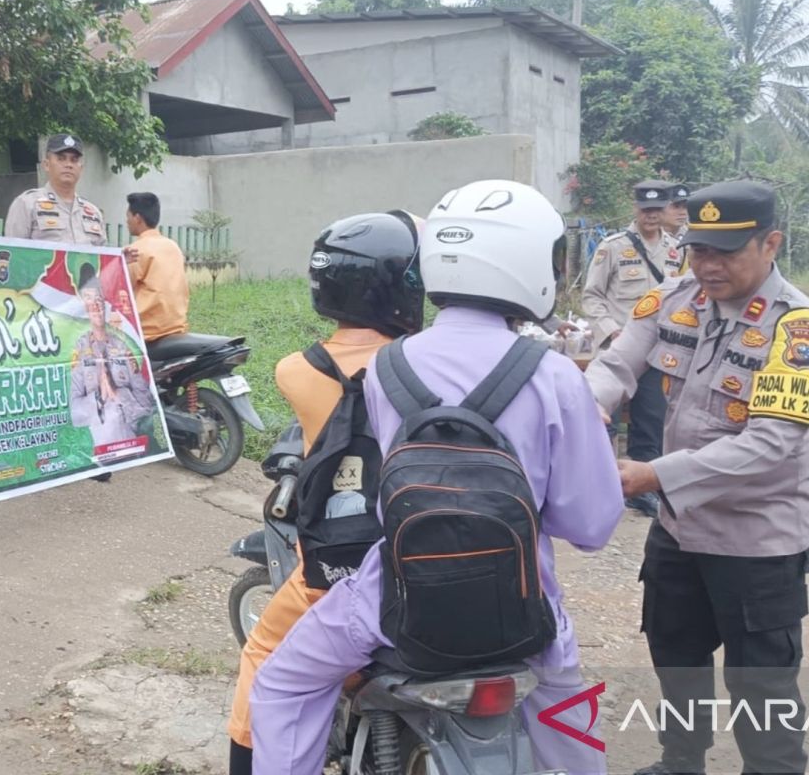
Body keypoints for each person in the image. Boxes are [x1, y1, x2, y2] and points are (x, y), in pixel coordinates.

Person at [249, 180, 623, 775]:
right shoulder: (556, 377)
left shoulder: (387, 368)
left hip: (391, 601)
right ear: (525, 262)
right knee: (572, 724)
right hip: (528, 613)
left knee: (281, 687)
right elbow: (591, 525)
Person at [585, 181, 809, 775]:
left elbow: (769, 445)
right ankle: (680, 762)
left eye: (725, 253)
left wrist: (650, 475)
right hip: (679, 530)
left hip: (756, 541)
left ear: (770, 244)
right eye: (698, 250)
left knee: (760, 685)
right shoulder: (676, 298)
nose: (706, 266)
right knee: (677, 659)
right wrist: (584, 411)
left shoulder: (796, 329)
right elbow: (615, 364)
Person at [227, 211, 426, 775]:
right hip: (422, 551)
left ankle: (249, 759)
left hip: (339, 571)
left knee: (263, 656)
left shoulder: (295, 370)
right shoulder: (427, 365)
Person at [582, 179, 682, 518]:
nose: (651, 216)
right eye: (645, 210)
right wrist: (611, 332)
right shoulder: (613, 247)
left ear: (665, 210)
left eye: (657, 210)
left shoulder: (676, 250)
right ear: (635, 209)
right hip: (618, 349)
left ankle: (639, 491)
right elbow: (592, 296)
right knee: (601, 421)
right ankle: (593, 485)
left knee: (650, 421)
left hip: (659, 351)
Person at [69, 263, 154, 452]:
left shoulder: (122, 346)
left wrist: (120, 395)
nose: (95, 304)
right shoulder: (78, 349)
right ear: (81, 303)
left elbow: (146, 401)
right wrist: (99, 398)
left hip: (131, 436)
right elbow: (73, 412)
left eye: (98, 298)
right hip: (103, 440)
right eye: (88, 298)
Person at [3, 134, 107, 245]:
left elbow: (104, 259)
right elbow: (13, 253)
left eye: (74, 160)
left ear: (81, 168)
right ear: (46, 165)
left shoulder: (93, 213)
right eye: (61, 158)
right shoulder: (27, 204)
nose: (68, 165)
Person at [122, 192, 189, 342]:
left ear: (137, 218)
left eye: (128, 216)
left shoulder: (136, 250)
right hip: (177, 326)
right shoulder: (173, 246)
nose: (127, 221)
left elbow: (123, 288)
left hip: (148, 332)